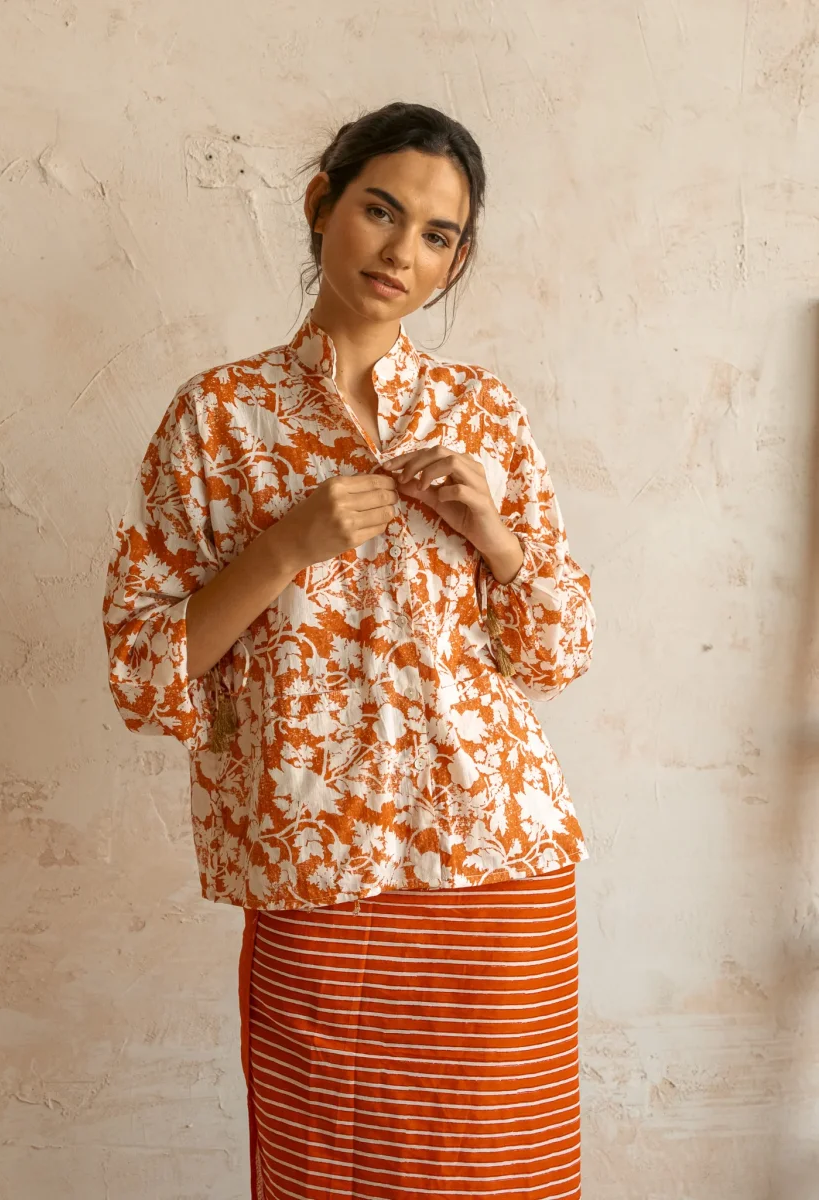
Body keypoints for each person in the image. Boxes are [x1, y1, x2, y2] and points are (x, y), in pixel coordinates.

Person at [102, 100, 595, 1200]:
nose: (401, 250)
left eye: (437, 235)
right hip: (315, 859)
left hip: (496, 858)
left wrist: (495, 535)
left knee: (503, 1173)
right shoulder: (216, 418)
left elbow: (556, 652)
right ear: (321, 203)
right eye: (380, 210)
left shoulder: (483, 413)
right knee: (327, 1168)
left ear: (455, 259)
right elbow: (145, 671)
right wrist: (285, 547)